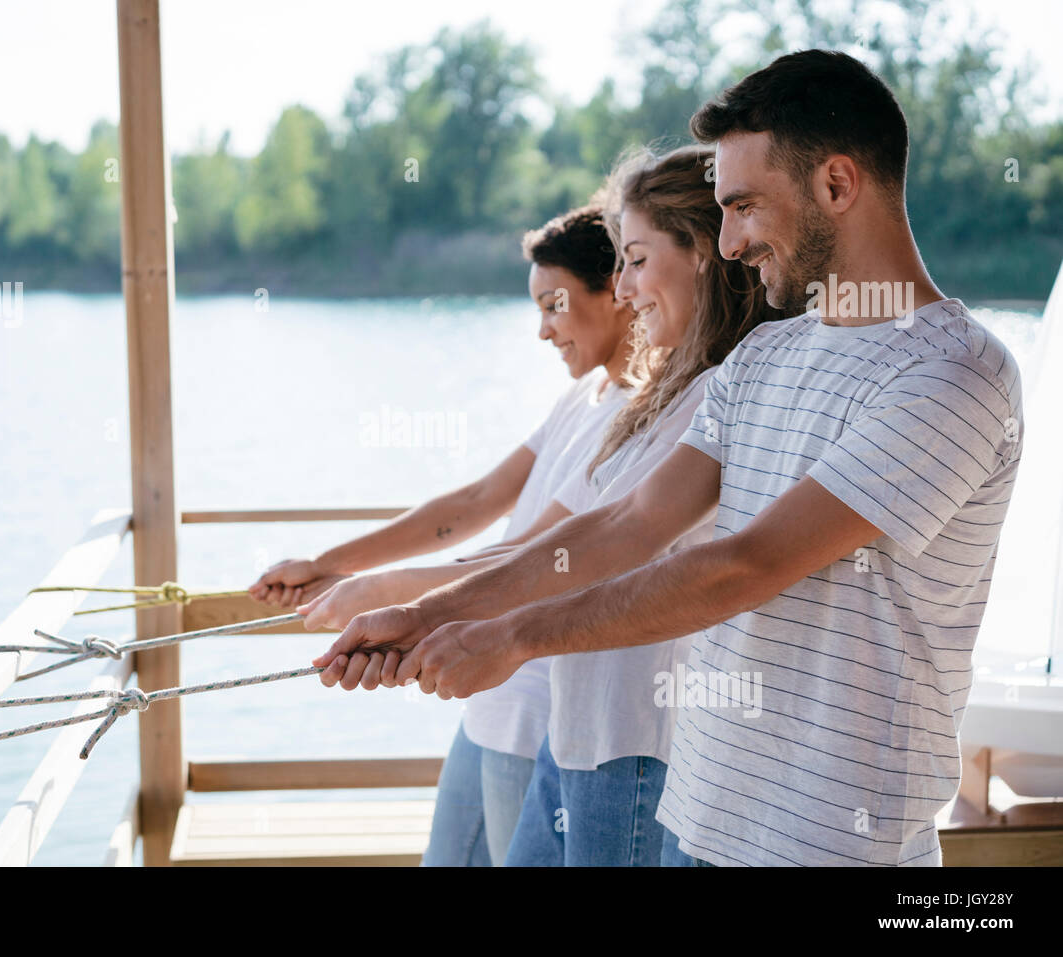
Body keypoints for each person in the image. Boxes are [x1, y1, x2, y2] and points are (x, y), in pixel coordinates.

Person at [314, 49, 1025, 868]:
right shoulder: (762, 360)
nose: (728, 244)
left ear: (837, 184)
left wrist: (513, 636)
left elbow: (745, 564)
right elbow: (629, 521)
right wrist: (435, 611)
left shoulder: (952, 373)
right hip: (701, 824)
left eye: (745, 206)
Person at [303, 146, 785, 866]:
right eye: (620, 263)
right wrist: (405, 604)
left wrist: (430, 609)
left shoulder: (718, 394)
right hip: (583, 728)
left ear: (705, 255)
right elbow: (556, 532)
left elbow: (620, 535)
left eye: (637, 260)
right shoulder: (659, 396)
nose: (624, 289)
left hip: (633, 743)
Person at [250, 205, 638, 865]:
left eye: (555, 305)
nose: (542, 330)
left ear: (617, 291)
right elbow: (476, 501)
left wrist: (378, 593)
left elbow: (527, 556)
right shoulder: (585, 396)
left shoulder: (635, 419)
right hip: (486, 702)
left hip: (535, 711)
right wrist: (328, 564)